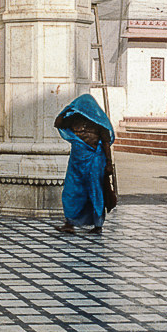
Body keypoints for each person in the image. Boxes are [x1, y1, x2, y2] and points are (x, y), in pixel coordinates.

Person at [54, 94, 115, 234]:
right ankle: (69, 223)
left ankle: (98, 224)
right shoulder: (74, 119)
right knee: (71, 191)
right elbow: (57, 123)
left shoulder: (99, 123)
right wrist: (67, 109)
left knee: (95, 191)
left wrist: (108, 163)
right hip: (76, 163)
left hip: (94, 162)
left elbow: (106, 144)